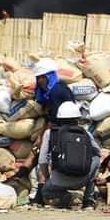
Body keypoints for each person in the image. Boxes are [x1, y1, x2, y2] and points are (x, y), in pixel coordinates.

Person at [38, 101, 100, 209]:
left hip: (57, 182)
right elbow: (98, 152)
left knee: (46, 191)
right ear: (77, 119)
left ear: (59, 119)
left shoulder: (50, 133)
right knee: (96, 158)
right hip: (81, 181)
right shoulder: (85, 133)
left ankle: (64, 196)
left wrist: (48, 178)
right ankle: (88, 200)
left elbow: (42, 161)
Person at [31, 59, 76, 194]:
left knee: (44, 159)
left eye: (42, 78)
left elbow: (54, 119)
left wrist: (40, 138)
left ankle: (41, 191)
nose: (40, 81)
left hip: (61, 130)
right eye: (38, 78)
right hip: (61, 127)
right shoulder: (57, 88)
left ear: (49, 77)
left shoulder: (56, 92)